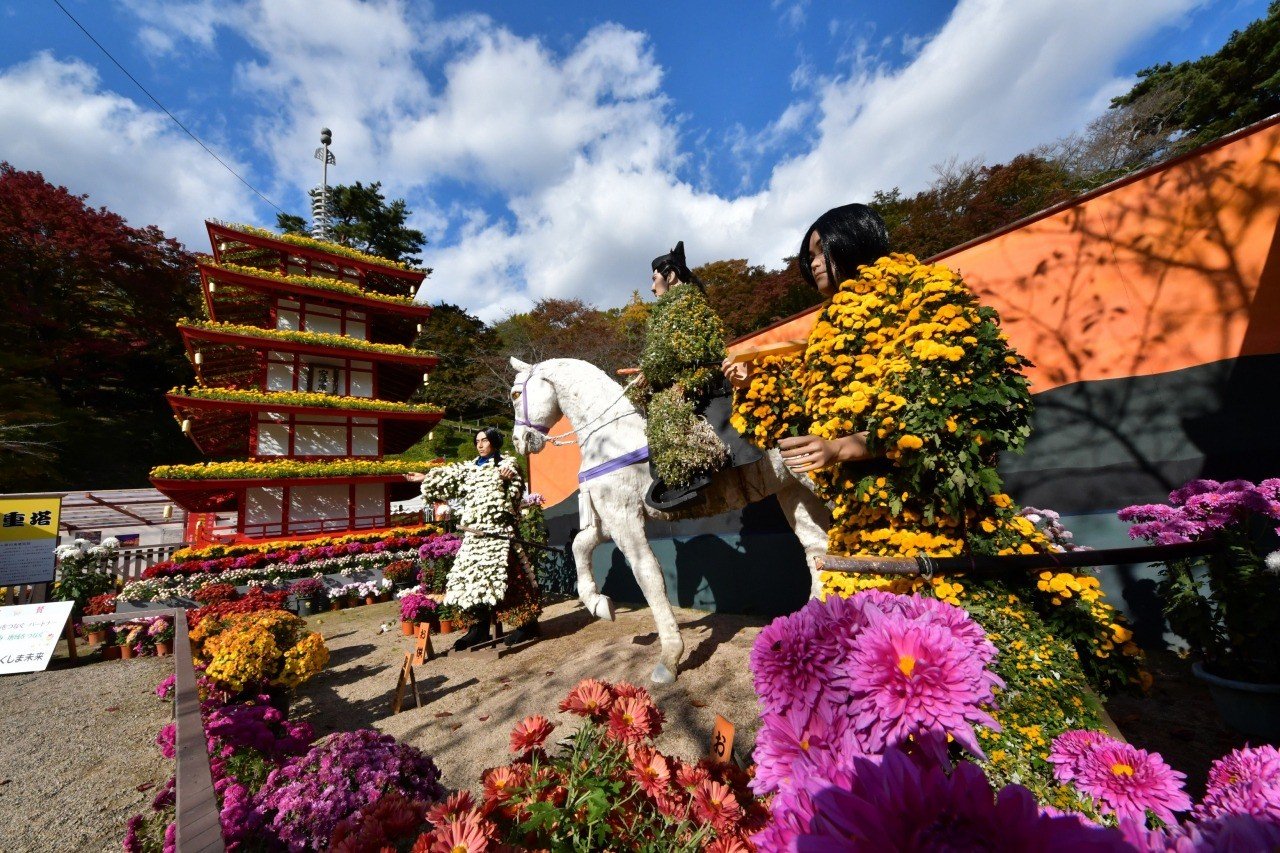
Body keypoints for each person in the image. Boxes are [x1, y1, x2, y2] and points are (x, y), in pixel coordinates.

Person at [634, 241, 761, 510]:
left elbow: (694, 357)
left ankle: (691, 476)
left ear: (671, 275)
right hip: (682, 378)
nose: (651, 286)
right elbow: (666, 357)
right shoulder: (667, 310)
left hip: (701, 381)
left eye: (654, 278)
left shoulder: (686, 305)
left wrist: (675, 380)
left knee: (665, 405)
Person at [404, 428, 542, 650]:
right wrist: (424, 476)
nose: (480, 444)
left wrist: (507, 484)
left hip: (499, 534)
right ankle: (478, 628)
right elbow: (449, 476)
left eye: (484, 440)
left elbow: (514, 502)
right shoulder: (470, 468)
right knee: (470, 581)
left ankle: (527, 623)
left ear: (494, 442)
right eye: (477, 441)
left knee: (512, 578)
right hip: (474, 536)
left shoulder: (507, 465)